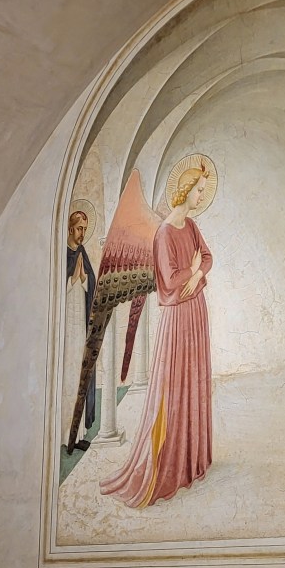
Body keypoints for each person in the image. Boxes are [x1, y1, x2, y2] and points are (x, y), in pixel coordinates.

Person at [99, 165, 213, 507]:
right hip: (178, 317)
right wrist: (192, 273)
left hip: (196, 312)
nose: (200, 195)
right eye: (198, 189)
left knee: (194, 382)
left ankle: (192, 460)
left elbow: (207, 257)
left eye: (204, 189)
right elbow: (169, 278)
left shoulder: (191, 225)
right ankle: (168, 463)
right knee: (173, 387)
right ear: (184, 189)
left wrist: (196, 273)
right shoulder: (164, 233)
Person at [62, 210, 96, 451]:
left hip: (80, 325)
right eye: (79, 228)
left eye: (85, 228)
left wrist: (84, 279)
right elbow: (55, 289)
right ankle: (64, 435)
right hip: (66, 329)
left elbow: (90, 281)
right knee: (68, 376)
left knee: (80, 373)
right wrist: (73, 279)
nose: (82, 232)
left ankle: (79, 432)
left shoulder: (82, 253)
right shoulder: (63, 255)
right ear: (70, 229)